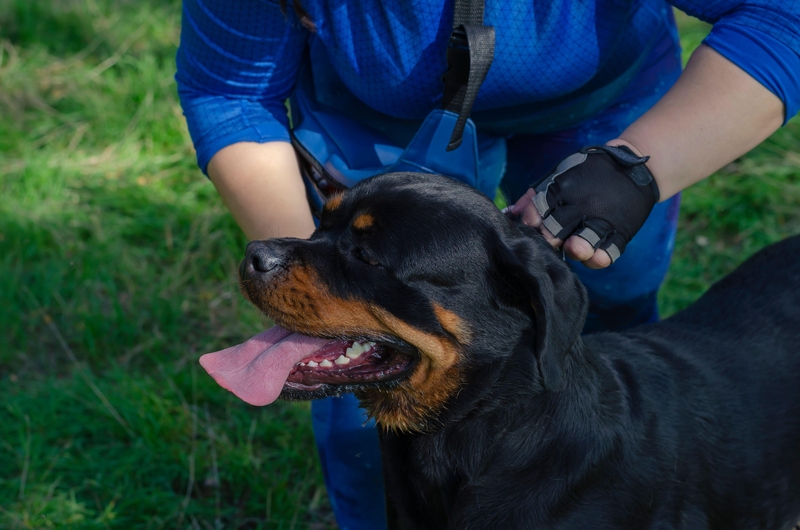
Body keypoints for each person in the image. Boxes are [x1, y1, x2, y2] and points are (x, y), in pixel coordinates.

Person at [175, 1, 799, 527]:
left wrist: (637, 167)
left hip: (601, 95)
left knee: (613, 305)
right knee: (361, 410)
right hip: (378, 113)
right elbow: (228, 86)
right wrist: (318, 290)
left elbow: (782, 12)